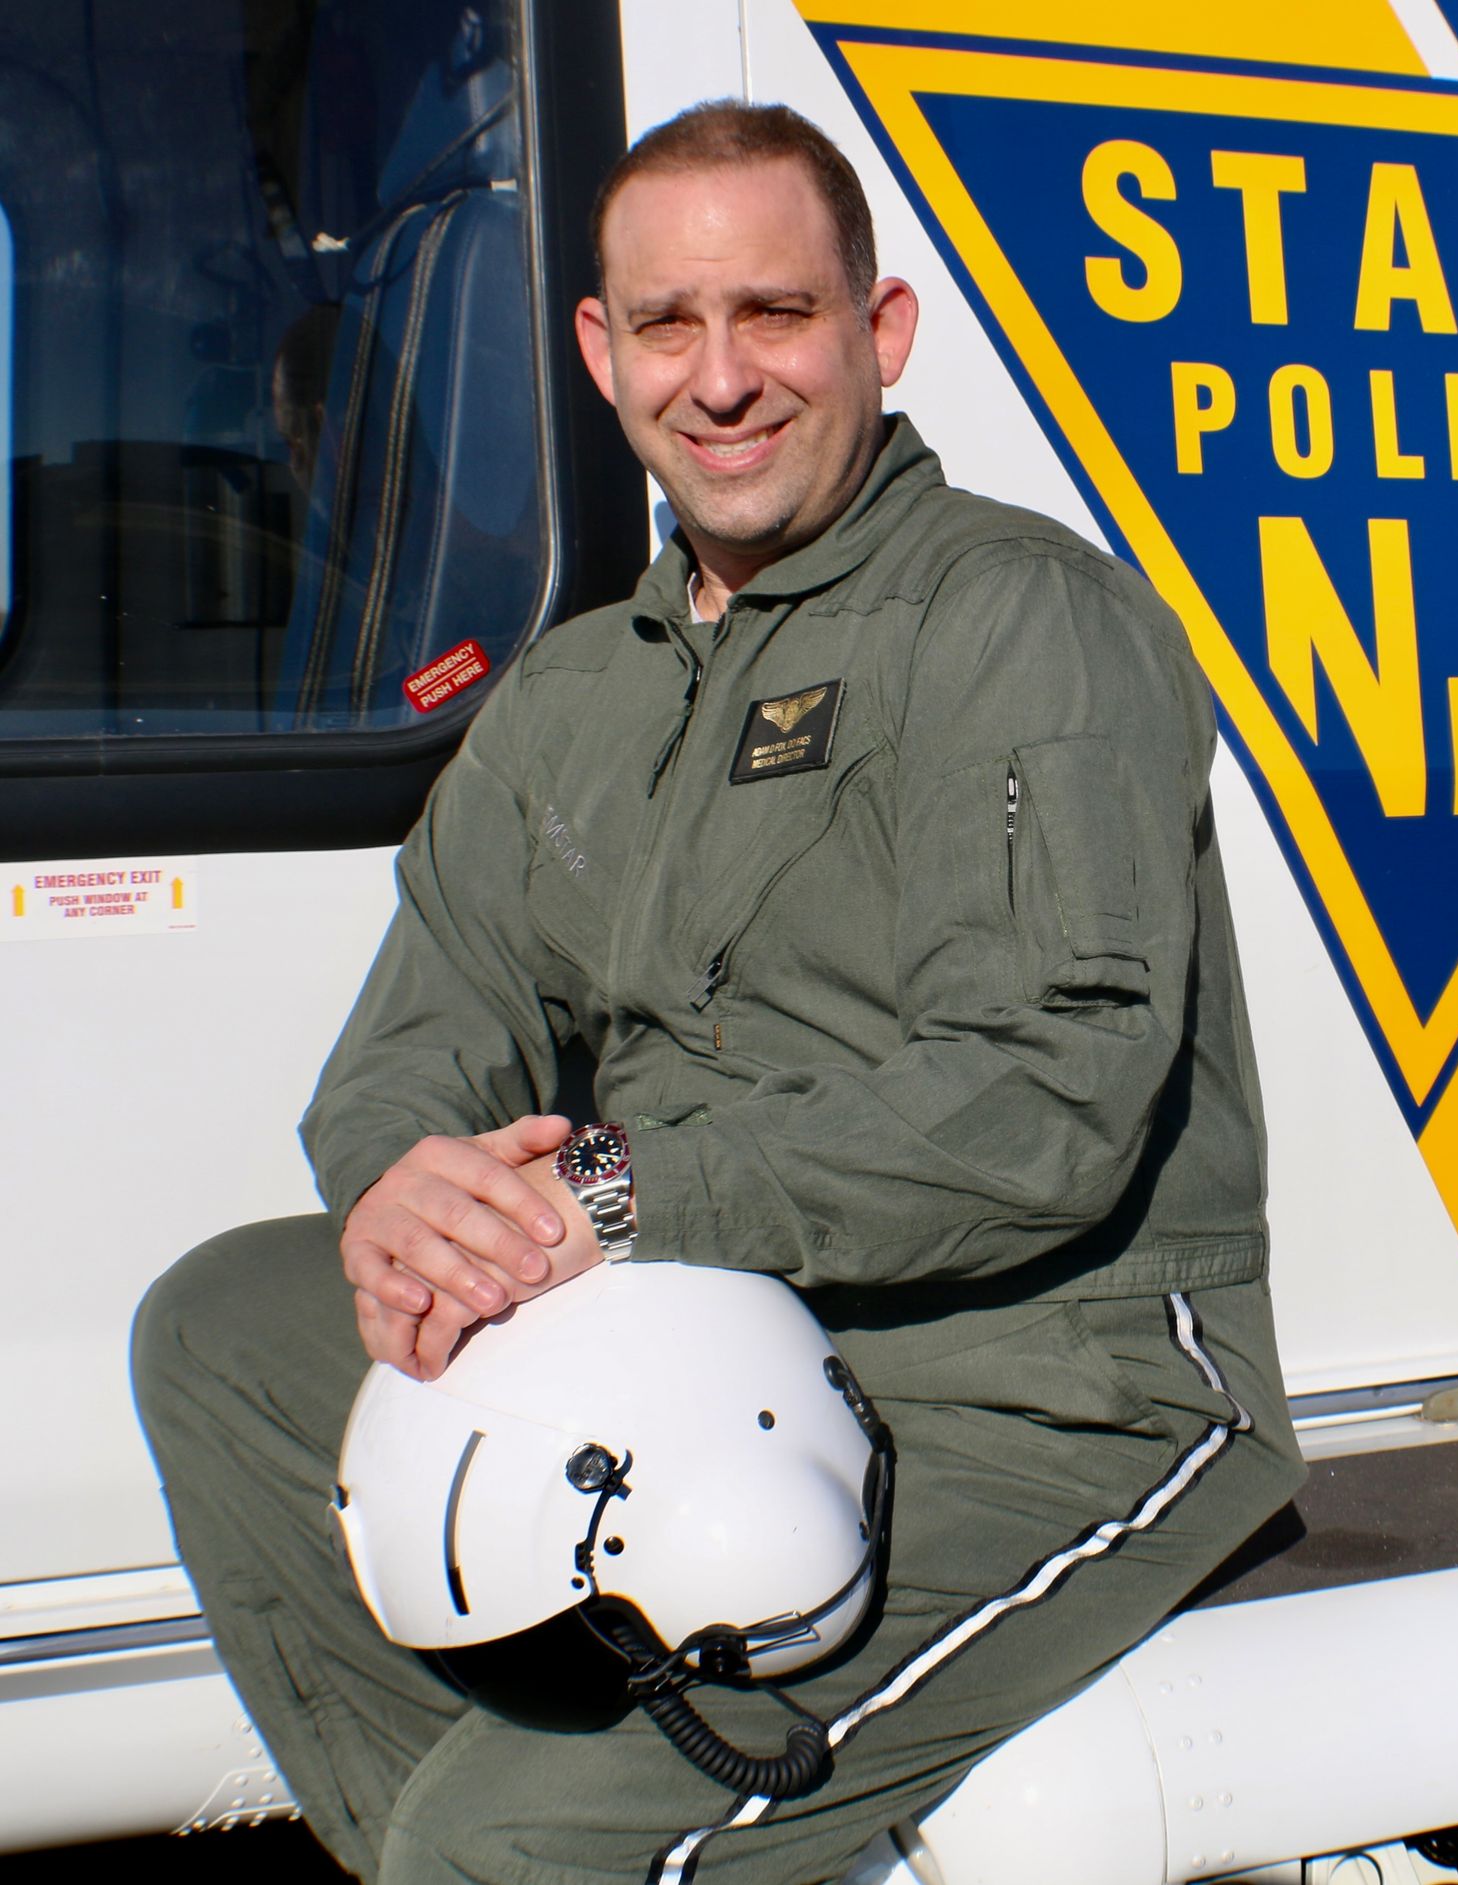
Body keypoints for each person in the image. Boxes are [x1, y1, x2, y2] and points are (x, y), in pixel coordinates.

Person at [134, 100, 1303, 1885]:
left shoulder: (1015, 619)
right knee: (225, 1322)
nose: (723, 377)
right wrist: (397, 1187)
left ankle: (505, 1849)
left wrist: (617, 1198)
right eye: (670, 325)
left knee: (505, 1845)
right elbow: (426, 1017)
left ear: (879, 334)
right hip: (711, 1345)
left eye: (775, 314)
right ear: (603, 354)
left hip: (1039, 1387)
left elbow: (1045, 1094)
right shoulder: (580, 689)